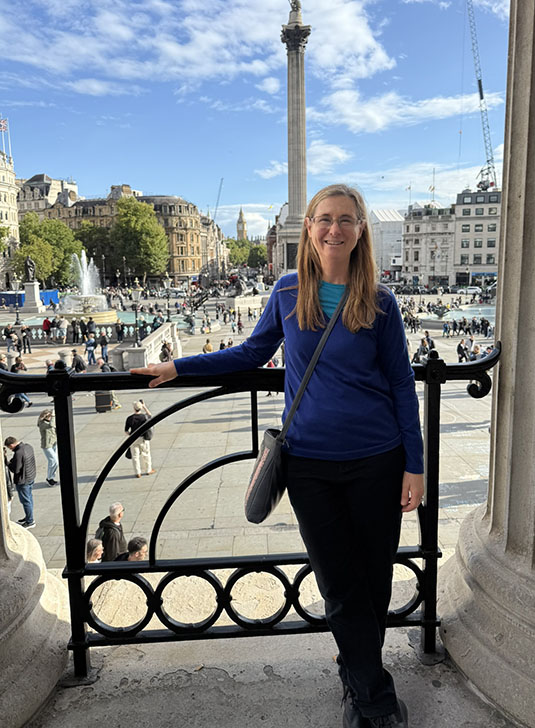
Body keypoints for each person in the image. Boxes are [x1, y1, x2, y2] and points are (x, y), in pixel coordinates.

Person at [131, 183, 423, 727]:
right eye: (324, 219)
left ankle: (354, 677)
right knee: (339, 582)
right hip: (310, 463)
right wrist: (180, 367)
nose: (334, 229)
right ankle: (375, 699)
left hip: (378, 460)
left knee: (375, 579)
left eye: (345, 220)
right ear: (308, 228)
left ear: (360, 231)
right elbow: (250, 352)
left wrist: (416, 463)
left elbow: (403, 385)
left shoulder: (382, 302)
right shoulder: (288, 291)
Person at [4, 435, 36, 529]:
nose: (10, 450)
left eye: (10, 447)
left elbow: (16, 469)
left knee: (25, 501)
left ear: (12, 444)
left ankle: (30, 521)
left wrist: (7, 462)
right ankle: (28, 517)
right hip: (31, 477)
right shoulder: (28, 446)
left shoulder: (18, 453)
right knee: (29, 499)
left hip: (23, 480)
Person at [124, 400, 155, 478]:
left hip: (133, 439)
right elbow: (150, 415)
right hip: (143, 438)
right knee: (146, 454)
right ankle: (148, 470)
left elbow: (126, 430)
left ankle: (138, 472)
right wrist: (144, 406)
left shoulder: (130, 418)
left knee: (135, 456)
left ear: (134, 408)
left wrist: (130, 435)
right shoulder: (144, 417)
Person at [38, 408, 59, 486]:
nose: (51, 417)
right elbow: (51, 425)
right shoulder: (42, 423)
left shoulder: (50, 421)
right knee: (53, 461)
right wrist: (53, 416)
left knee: (55, 462)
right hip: (47, 445)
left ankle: (51, 477)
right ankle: (49, 478)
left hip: (53, 443)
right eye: (50, 416)